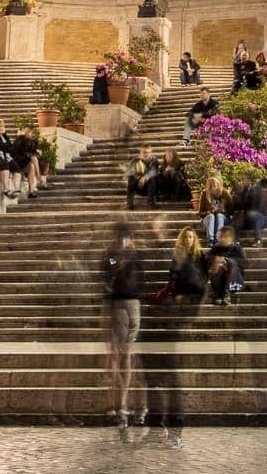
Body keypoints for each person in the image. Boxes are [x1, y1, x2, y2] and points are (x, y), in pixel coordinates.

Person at [102, 223, 143, 435]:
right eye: (121, 237)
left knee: (128, 351)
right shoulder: (110, 254)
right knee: (119, 352)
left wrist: (129, 255)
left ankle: (124, 399)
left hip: (132, 302)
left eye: (126, 237)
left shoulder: (136, 254)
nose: (123, 241)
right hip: (117, 303)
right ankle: (121, 399)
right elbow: (109, 270)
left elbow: (140, 273)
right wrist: (118, 258)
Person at [205, 224, 247, 304]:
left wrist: (226, 260)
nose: (220, 239)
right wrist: (216, 259)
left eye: (223, 237)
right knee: (216, 262)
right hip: (220, 280)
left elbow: (245, 263)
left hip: (235, 282)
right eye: (219, 236)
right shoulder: (216, 248)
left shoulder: (236, 248)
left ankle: (226, 294)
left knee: (231, 262)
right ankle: (219, 294)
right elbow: (206, 261)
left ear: (230, 238)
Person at [167, 228, 208, 305]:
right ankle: (184, 297)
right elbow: (171, 272)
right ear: (182, 239)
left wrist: (201, 282)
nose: (188, 239)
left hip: (196, 286)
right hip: (182, 285)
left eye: (190, 237)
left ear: (194, 239)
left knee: (192, 269)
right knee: (187, 266)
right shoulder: (177, 254)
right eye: (185, 237)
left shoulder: (199, 254)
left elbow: (205, 273)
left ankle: (189, 297)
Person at [231, 173, 267, 247]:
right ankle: (236, 242)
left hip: (260, 218)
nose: (241, 182)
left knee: (253, 215)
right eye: (240, 180)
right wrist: (237, 194)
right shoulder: (241, 192)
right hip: (248, 219)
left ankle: (258, 240)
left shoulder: (257, 190)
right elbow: (237, 206)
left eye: (243, 180)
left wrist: (248, 213)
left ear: (248, 180)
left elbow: (257, 206)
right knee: (236, 218)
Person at [124, 144, 158, 210]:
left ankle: (150, 203)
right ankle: (129, 204)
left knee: (152, 178)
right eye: (144, 152)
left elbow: (153, 171)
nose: (146, 154)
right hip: (138, 187)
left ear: (151, 153)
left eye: (148, 152)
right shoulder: (134, 160)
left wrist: (144, 178)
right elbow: (130, 171)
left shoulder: (154, 160)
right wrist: (139, 178)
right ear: (140, 152)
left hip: (150, 187)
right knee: (131, 178)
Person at [200, 173, 230, 242]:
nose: (214, 184)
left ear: (219, 182)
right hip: (209, 219)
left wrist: (223, 211)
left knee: (219, 216)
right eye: (212, 182)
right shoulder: (205, 193)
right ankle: (210, 239)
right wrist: (208, 212)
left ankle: (218, 239)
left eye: (215, 182)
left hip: (223, 219)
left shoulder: (225, 193)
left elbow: (231, 210)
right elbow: (200, 213)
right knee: (211, 216)